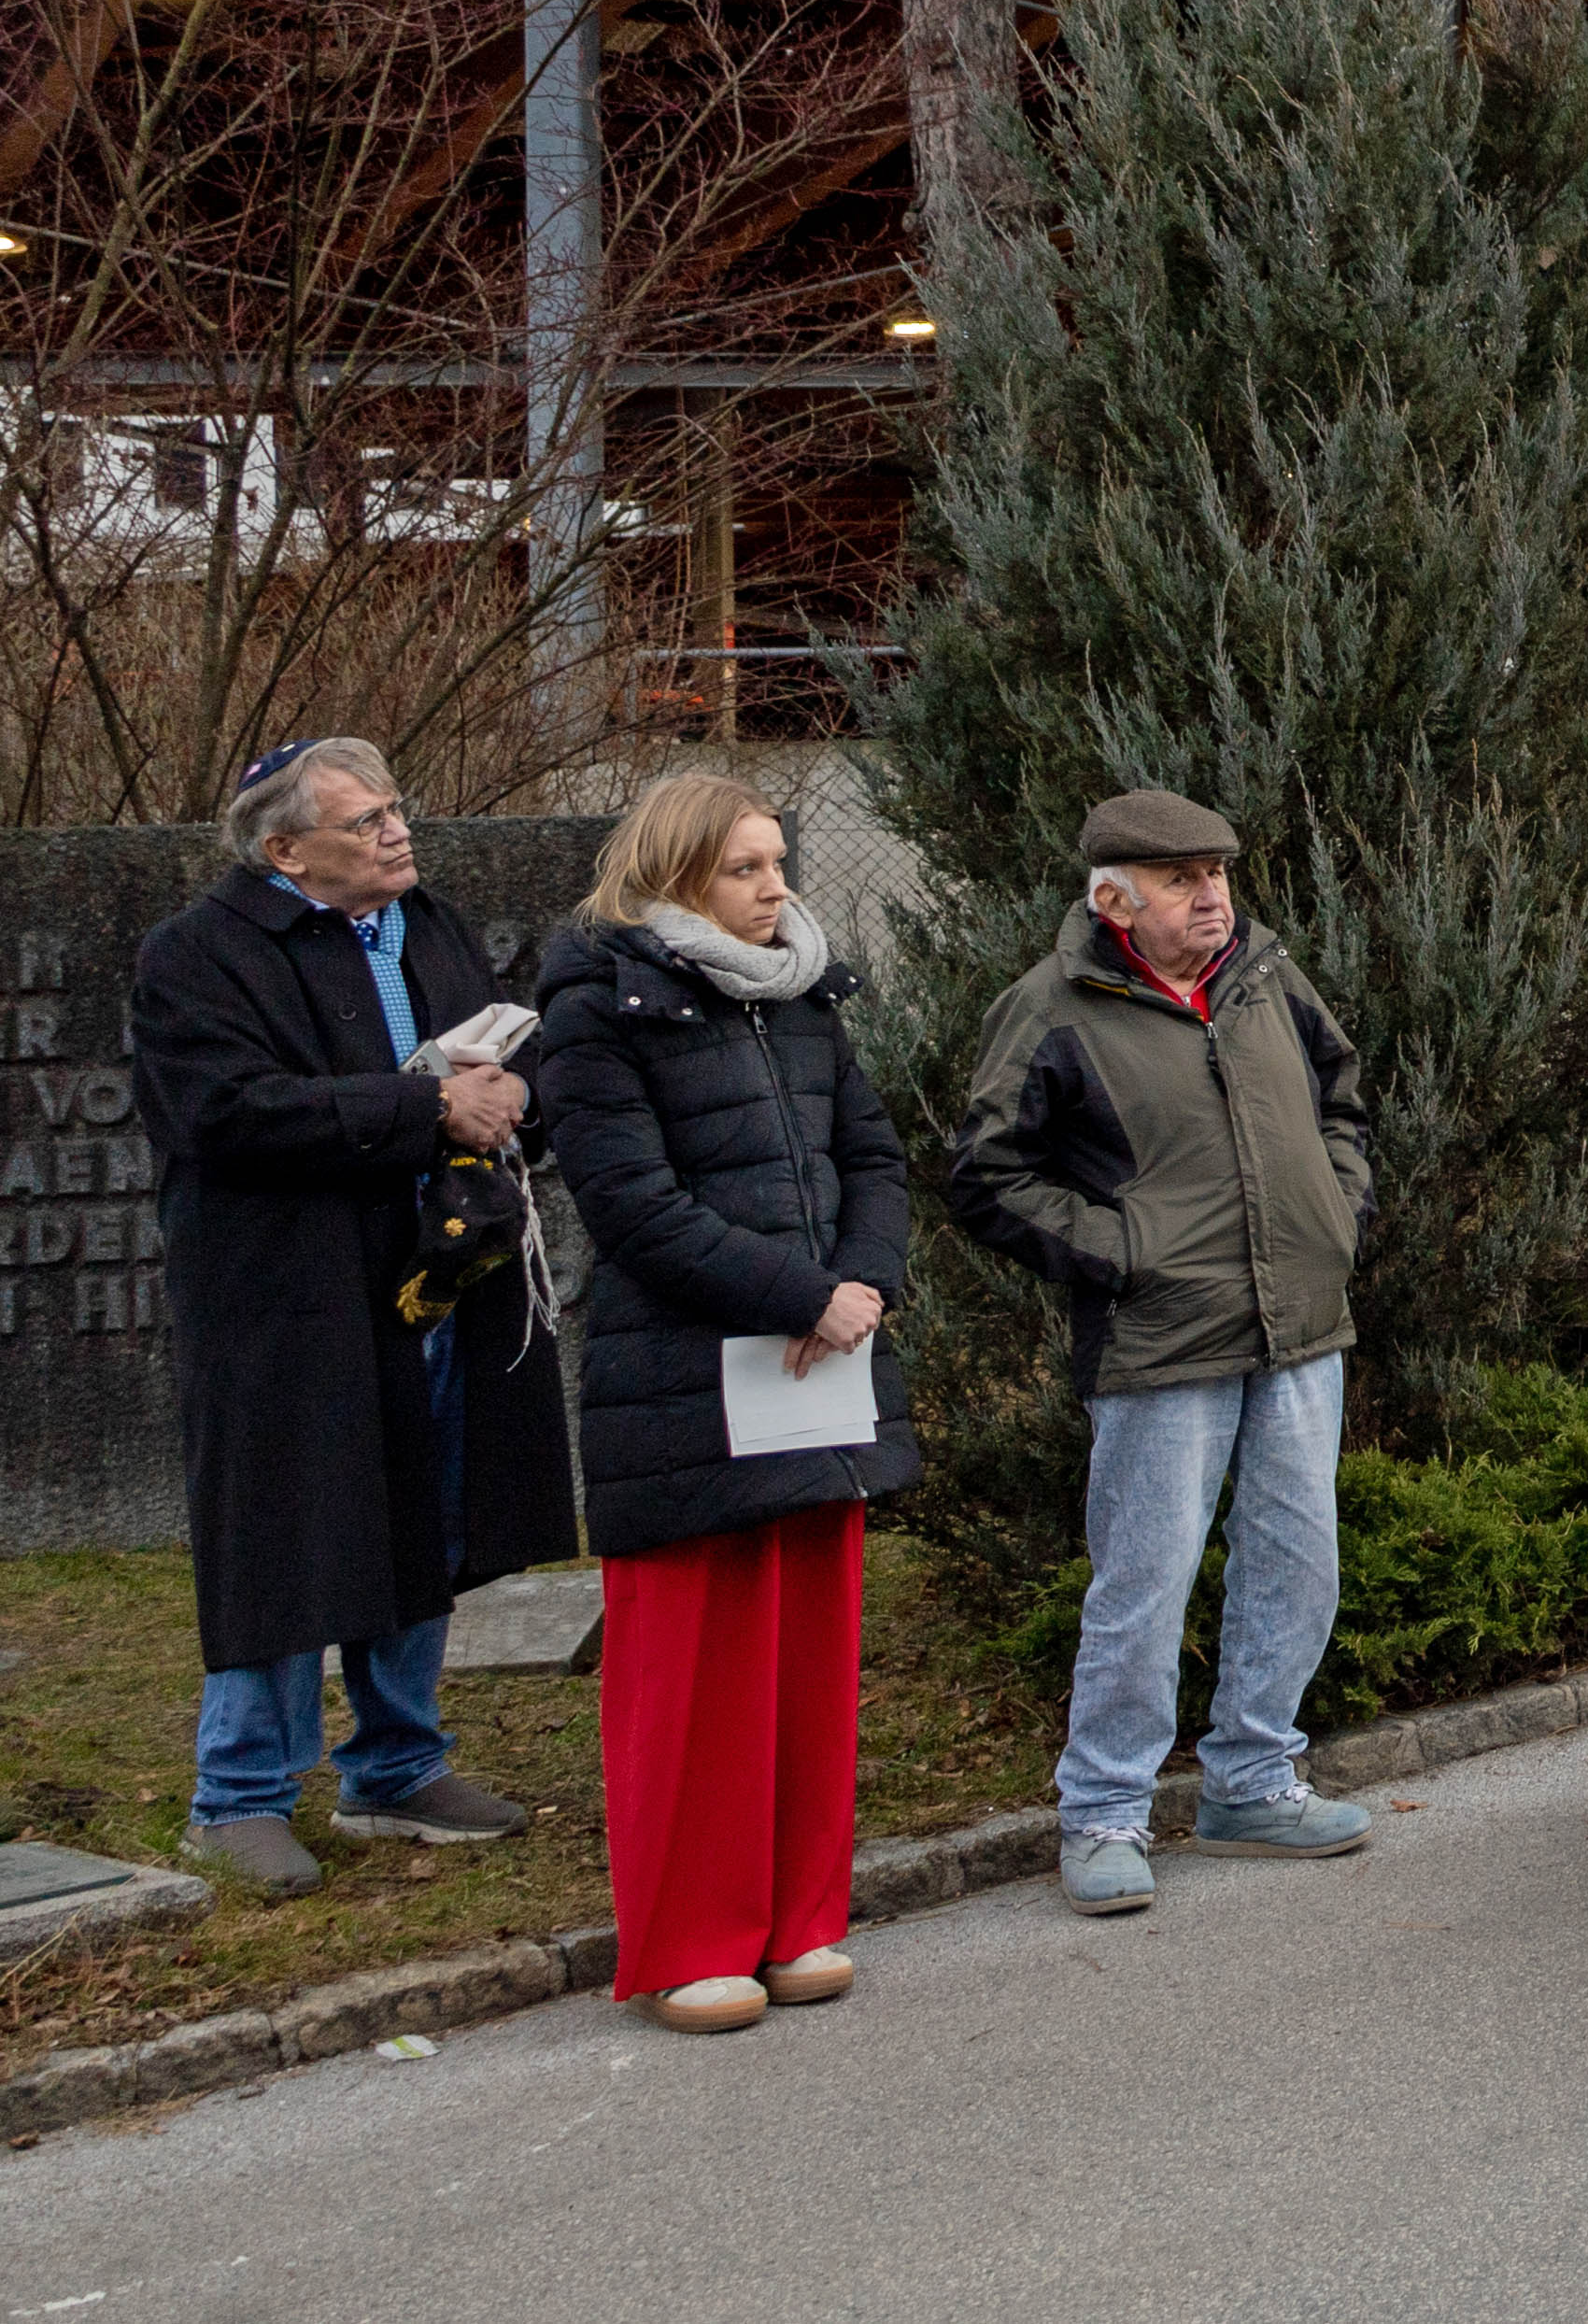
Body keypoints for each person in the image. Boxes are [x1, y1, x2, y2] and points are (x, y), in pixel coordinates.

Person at [132, 738, 576, 1895]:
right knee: (287, 1527)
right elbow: (226, 1112)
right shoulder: (196, 953)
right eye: (365, 820)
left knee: (421, 1511)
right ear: (284, 849)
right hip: (286, 1294)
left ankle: (395, 1765)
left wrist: (515, 1093)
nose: (396, 831)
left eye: (395, 809)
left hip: (431, 1271)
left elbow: (500, 1062)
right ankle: (239, 1796)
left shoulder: (426, 920)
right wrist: (428, 1107)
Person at [532, 773, 915, 2032]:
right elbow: (631, 1204)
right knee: (695, 1675)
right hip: (684, 1381)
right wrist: (804, 1293)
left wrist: (862, 1282)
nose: (775, 887)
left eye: (777, 862)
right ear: (676, 872)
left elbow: (872, 1154)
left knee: (807, 1661)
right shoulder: (597, 1007)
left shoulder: (803, 995)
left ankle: (798, 1920)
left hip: (820, 1365)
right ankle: (692, 1940)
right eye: (746, 867)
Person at [951, 790, 1378, 1915]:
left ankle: (1252, 1781)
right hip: (1159, 1339)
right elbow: (989, 1174)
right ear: (1113, 898)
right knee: (1144, 1583)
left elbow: (1341, 1099)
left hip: (1299, 1321)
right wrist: (1126, 1252)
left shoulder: (1266, 976)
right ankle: (1102, 1811)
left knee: (1296, 1561)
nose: (1210, 895)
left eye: (1218, 872)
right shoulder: (1050, 1006)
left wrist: (1335, 1213)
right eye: (1181, 878)